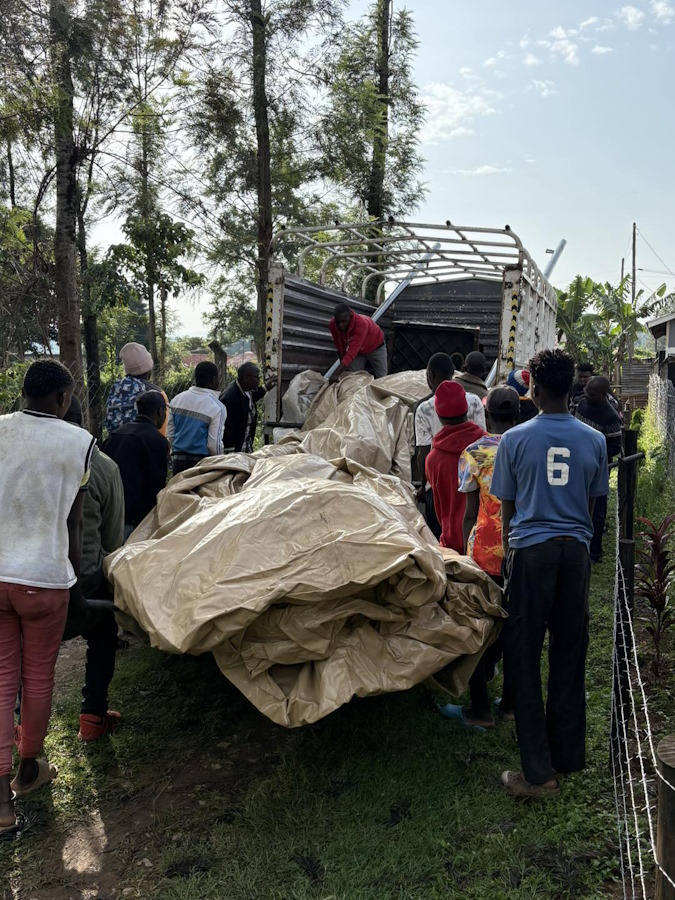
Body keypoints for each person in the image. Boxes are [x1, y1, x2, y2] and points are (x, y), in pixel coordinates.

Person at [491, 348, 609, 799]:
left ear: (535, 390)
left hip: (531, 553)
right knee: (569, 651)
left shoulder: (514, 439)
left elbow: (509, 508)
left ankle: (538, 774)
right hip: (574, 554)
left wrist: (510, 557)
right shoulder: (594, 440)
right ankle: (566, 754)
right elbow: (591, 508)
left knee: (523, 656)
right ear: (570, 390)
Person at [0, 360, 95, 834]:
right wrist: (75, 584)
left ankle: (1, 805)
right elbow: (75, 521)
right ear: (62, 398)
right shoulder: (79, 442)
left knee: (2, 682)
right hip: (45, 579)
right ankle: (28, 770)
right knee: (37, 679)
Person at [437, 386, 520, 730]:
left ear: (486, 415)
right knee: (515, 629)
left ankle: (480, 710)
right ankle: (511, 705)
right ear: (517, 414)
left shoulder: (473, 452)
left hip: (484, 552)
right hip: (520, 550)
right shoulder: (526, 447)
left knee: (478, 628)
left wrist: (463, 554)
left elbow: (470, 512)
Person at [63, 397, 125, 741]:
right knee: (103, 635)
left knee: (26, 650)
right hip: (85, 579)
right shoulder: (102, 466)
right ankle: (93, 716)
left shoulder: (19, 458)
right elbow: (112, 541)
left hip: (27, 577)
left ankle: (23, 727)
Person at [414, 353, 486, 540]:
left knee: (441, 532)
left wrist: (424, 485)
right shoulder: (474, 401)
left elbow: (423, 451)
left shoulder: (424, 409)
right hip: (475, 480)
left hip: (440, 477)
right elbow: (483, 444)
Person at [424, 380, 485, 552]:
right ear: (466, 410)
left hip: (451, 545)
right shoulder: (485, 447)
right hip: (485, 542)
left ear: (439, 415)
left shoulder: (433, 459)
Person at [103, 390, 169, 539]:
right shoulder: (157, 441)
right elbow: (157, 486)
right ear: (160, 411)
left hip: (110, 513)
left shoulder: (115, 435)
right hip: (138, 520)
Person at [574, 375, 623, 563]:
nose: (587, 395)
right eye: (586, 391)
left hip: (597, 469)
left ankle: (594, 552)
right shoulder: (582, 404)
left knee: (597, 509)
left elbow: (614, 448)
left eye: (592, 394)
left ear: (603, 395)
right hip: (575, 463)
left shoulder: (610, 417)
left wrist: (593, 452)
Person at [168, 362, 228, 475]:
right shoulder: (217, 407)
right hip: (201, 464)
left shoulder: (177, 399)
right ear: (213, 379)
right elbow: (214, 445)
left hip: (178, 461)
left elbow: (170, 435)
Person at [105, 342, 169, 439]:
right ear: (149, 368)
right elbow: (162, 432)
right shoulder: (156, 393)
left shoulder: (116, 388)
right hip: (145, 445)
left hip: (116, 443)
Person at [220, 362, 277, 454]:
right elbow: (227, 430)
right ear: (246, 378)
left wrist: (266, 387)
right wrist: (230, 454)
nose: (259, 380)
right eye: (257, 377)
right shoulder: (230, 398)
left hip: (246, 445)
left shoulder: (246, 390)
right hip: (235, 450)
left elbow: (252, 397)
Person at [328, 303, 387, 381]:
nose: (341, 325)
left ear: (350, 317)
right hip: (359, 351)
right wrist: (341, 371)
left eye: (344, 321)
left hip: (376, 347)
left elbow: (351, 353)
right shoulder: (332, 324)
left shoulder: (361, 324)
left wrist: (336, 374)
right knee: (352, 376)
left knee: (382, 378)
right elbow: (340, 347)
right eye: (338, 322)